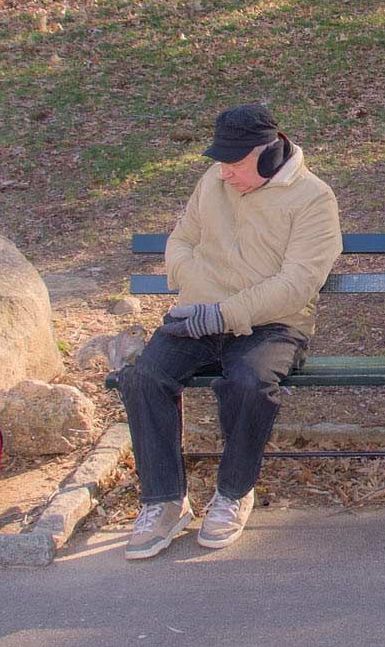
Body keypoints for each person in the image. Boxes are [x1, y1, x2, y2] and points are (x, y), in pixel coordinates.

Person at [118, 104, 342, 559]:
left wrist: (225, 313)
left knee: (248, 382)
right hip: (200, 313)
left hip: (274, 323)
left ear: (268, 153)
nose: (224, 172)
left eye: (234, 162)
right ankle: (164, 502)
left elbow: (297, 284)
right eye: (220, 160)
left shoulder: (314, 198)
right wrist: (195, 281)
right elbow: (181, 240)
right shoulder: (213, 182)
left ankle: (233, 493)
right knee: (144, 376)